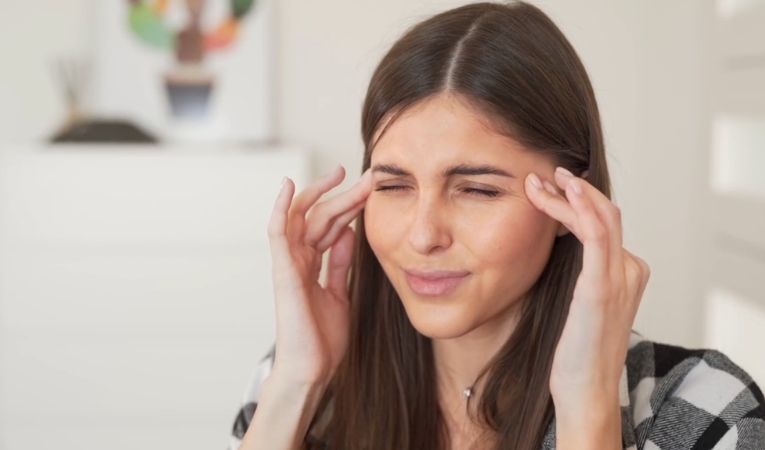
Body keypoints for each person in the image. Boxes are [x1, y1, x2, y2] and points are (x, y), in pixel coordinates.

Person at [229, 2, 765, 449]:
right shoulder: (293, 378)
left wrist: (587, 404)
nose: (422, 236)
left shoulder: (707, 409)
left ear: (570, 202)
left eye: (478, 190)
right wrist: (298, 383)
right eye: (393, 186)